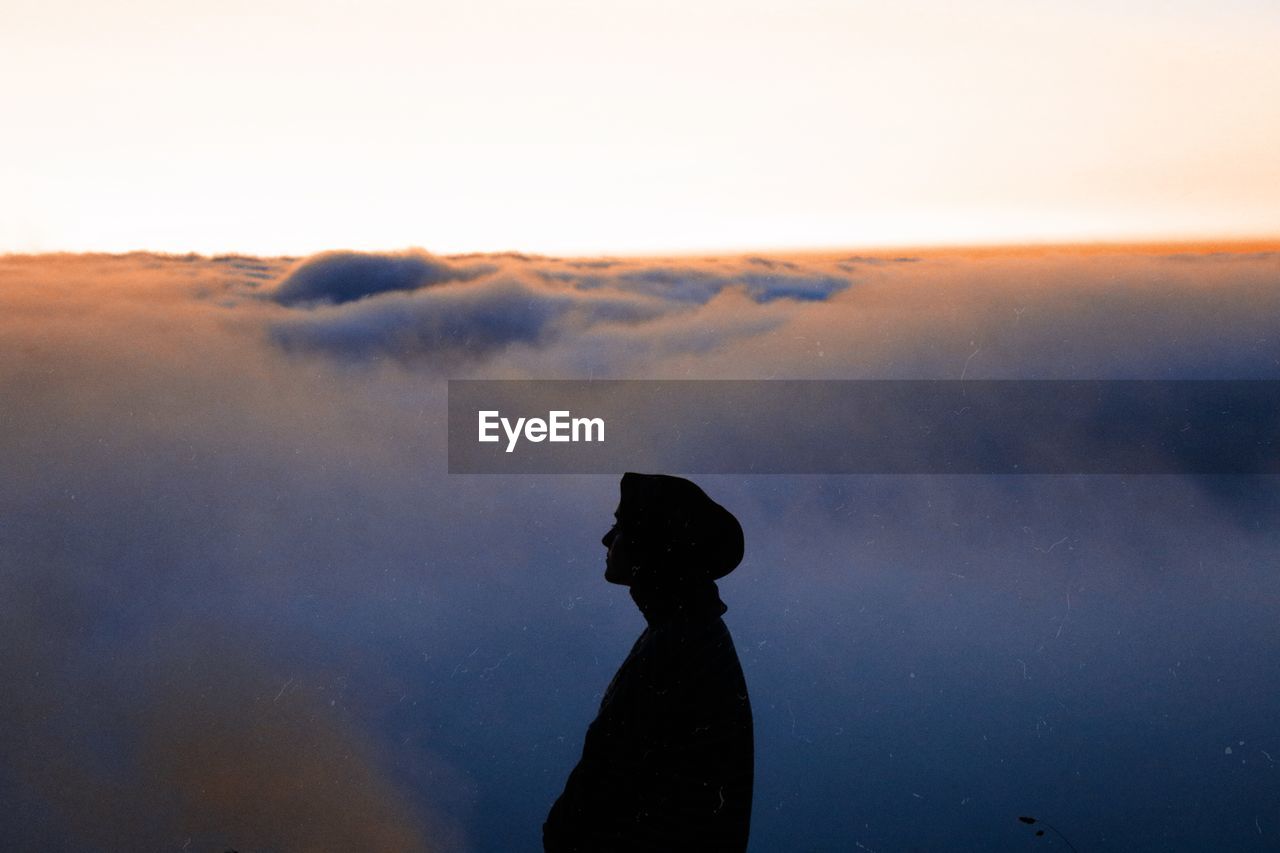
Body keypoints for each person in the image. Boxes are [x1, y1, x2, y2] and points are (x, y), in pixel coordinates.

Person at [544, 473, 754, 852]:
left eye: (621, 526)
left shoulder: (680, 643)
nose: (607, 539)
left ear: (653, 543)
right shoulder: (686, 635)